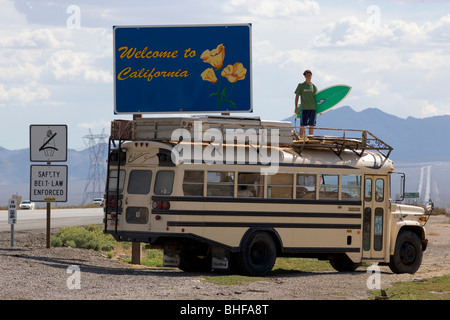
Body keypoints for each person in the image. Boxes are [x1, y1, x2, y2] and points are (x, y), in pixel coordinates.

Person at [294, 70, 318, 137]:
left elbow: (317, 98)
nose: (309, 77)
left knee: (312, 125)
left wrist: (320, 109)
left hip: (313, 108)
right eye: (307, 75)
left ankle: (310, 138)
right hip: (304, 108)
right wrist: (296, 107)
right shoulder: (301, 85)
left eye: (310, 75)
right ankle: (301, 138)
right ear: (305, 76)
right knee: (302, 125)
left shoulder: (314, 87)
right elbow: (297, 96)